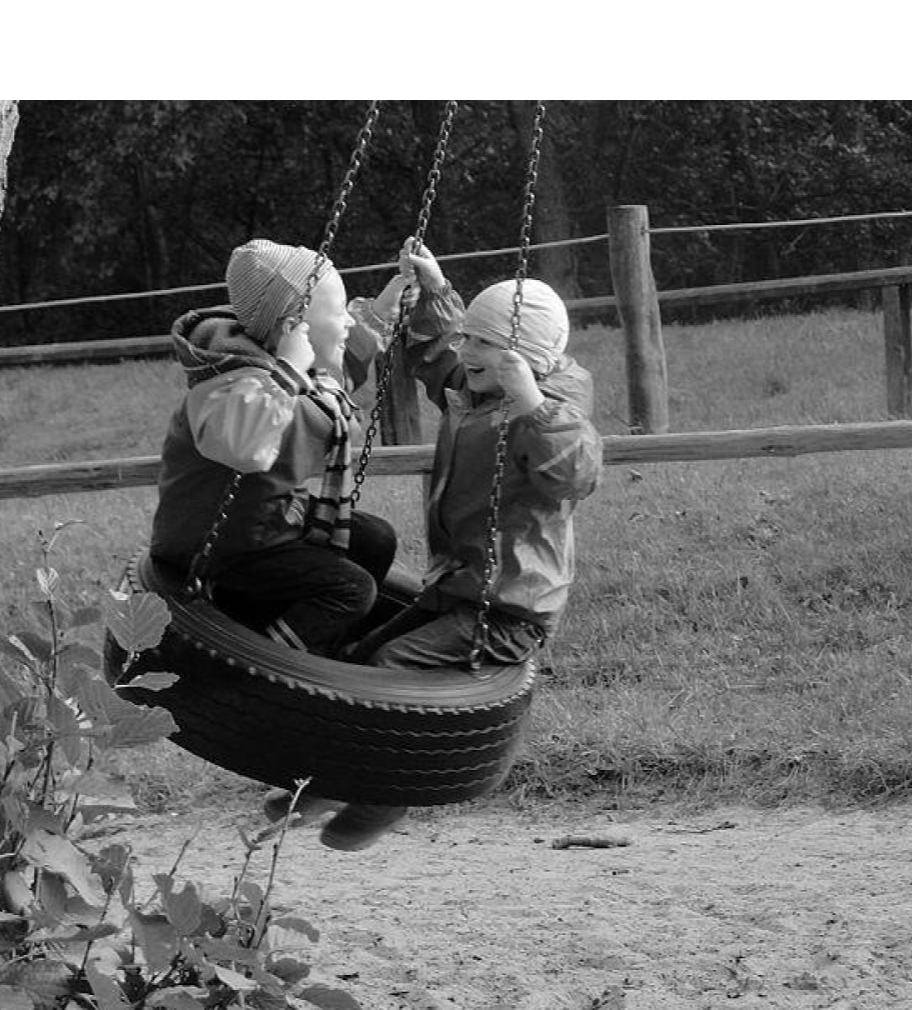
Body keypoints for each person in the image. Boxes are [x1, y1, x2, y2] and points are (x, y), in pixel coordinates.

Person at [292, 238, 603, 853]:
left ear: (528, 360)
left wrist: (533, 403)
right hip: (457, 585)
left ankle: (388, 794)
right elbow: (437, 355)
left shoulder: (550, 414)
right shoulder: (478, 392)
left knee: (390, 671)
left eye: (484, 343)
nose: (468, 350)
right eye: (470, 338)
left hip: (509, 607)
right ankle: (332, 779)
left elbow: (576, 475)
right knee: (358, 658)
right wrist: (434, 291)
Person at [150, 238, 407, 659]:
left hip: (267, 525)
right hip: (218, 548)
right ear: (293, 329)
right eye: (338, 312)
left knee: (375, 539)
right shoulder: (231, 383)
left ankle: (322, 641)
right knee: (351, 590)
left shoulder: (297, 367)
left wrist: (380, 313)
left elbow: (339, 370)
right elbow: (245, 449)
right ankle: (276, 664)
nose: (346, 321)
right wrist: (285, 375)